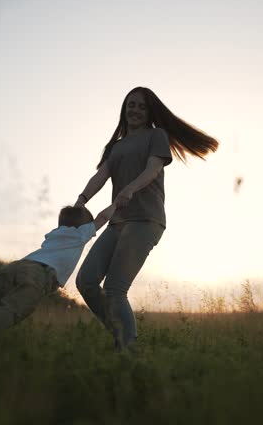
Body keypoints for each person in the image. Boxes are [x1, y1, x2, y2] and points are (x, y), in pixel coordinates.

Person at [74, 86, 219, 351]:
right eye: (131, 105)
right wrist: (81, 200)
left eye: (141, 106)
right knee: (85, 281)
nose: (135, 110)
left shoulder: (156, 135)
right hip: (118, 222)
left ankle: (128, 352)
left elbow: (153, 169)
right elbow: (101, 176)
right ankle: (122, 338)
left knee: (115, 290)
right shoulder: (115, 147)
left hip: (145, 219)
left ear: (149, 111)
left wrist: (130, 188)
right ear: (124, 108)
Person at [0, 203, 116, 348]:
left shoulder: (56, 232)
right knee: (15, 307)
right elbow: (102, 217)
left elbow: (75, 216)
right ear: (84, 226)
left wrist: (80, 203)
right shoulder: (80, 234)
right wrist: (117, 202)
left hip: (16, 266)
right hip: (38, 273)